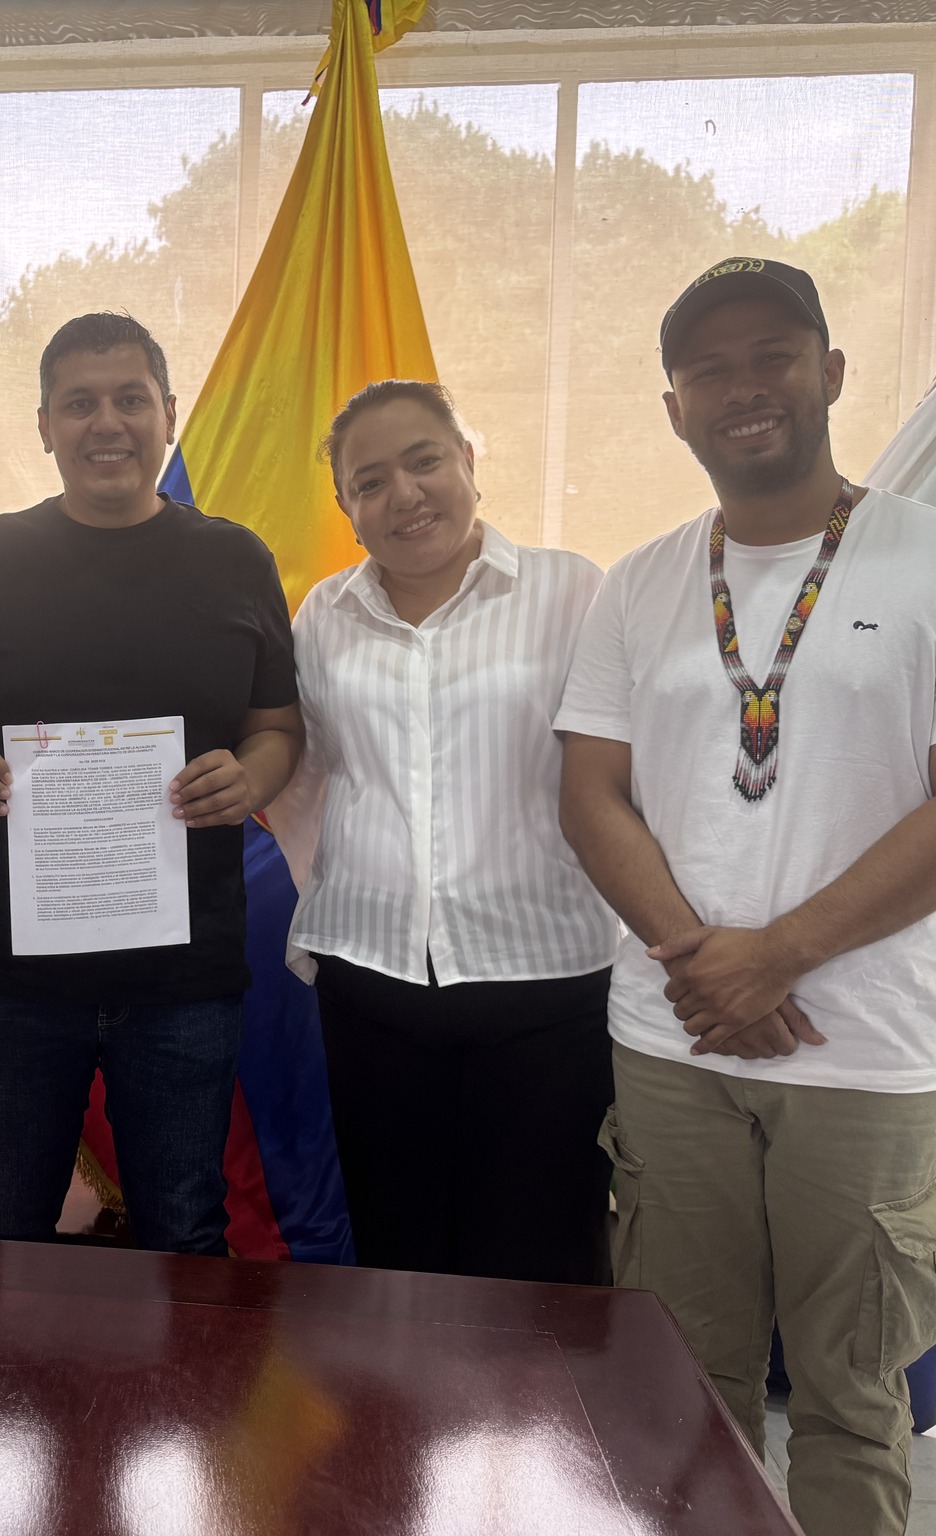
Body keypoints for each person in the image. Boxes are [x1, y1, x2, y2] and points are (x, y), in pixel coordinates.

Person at [555, 257, 936, 1535]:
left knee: (850, 1400)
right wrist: (705, 963)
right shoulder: (638, 582)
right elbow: (589, 795)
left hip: (869, 1051)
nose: (743, 388)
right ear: (672, 407)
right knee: (686, 1391)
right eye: (708, 370)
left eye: (771, 356)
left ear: (829, 371)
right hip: (672, 1041)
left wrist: (774, 956)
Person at [0, 312, 302, 1256]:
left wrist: (249, 774)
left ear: (168, 413)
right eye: (79, 403)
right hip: (14, 977)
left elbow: (278, 728)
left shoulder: (236, 559)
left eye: (131, 399)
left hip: (183, 978)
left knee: (186, 1233)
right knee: (6, 1230)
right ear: (44, 425)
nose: (107, 423)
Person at [266, 379, 619, 1283]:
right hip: (370, 984)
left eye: (424, 461)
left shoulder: (573, 591)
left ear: (468, 460)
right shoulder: (322, 616)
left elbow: (624, 775)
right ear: (347, 510)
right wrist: (350, 885)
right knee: (398, 1260)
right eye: (370, 481)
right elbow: (304, 778)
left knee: (543, 1261)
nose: (405, 494)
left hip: (547, 987)